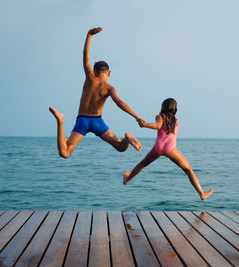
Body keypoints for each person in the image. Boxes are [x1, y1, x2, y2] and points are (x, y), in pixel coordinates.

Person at [49, 27, 142, 158]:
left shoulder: (89, 77)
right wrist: (136, 117)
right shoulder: (109, 88)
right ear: (108, 73)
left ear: (94, 71)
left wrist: (89, 35)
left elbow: (85, 54)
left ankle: (60, 121)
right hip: (97, 122)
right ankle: (127, 138)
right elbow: (120, 103)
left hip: (82, 121)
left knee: (65, 153)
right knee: (121, 147)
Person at [123, 98, 213, 200]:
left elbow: (158, 126)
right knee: (188, 169)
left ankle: (127, 179)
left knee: (142, 164)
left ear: (163, 107)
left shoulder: (160, 116)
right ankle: (201, 193)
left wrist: (145, 125)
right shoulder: (176, 120)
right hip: (170, 149)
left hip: (158, 147)